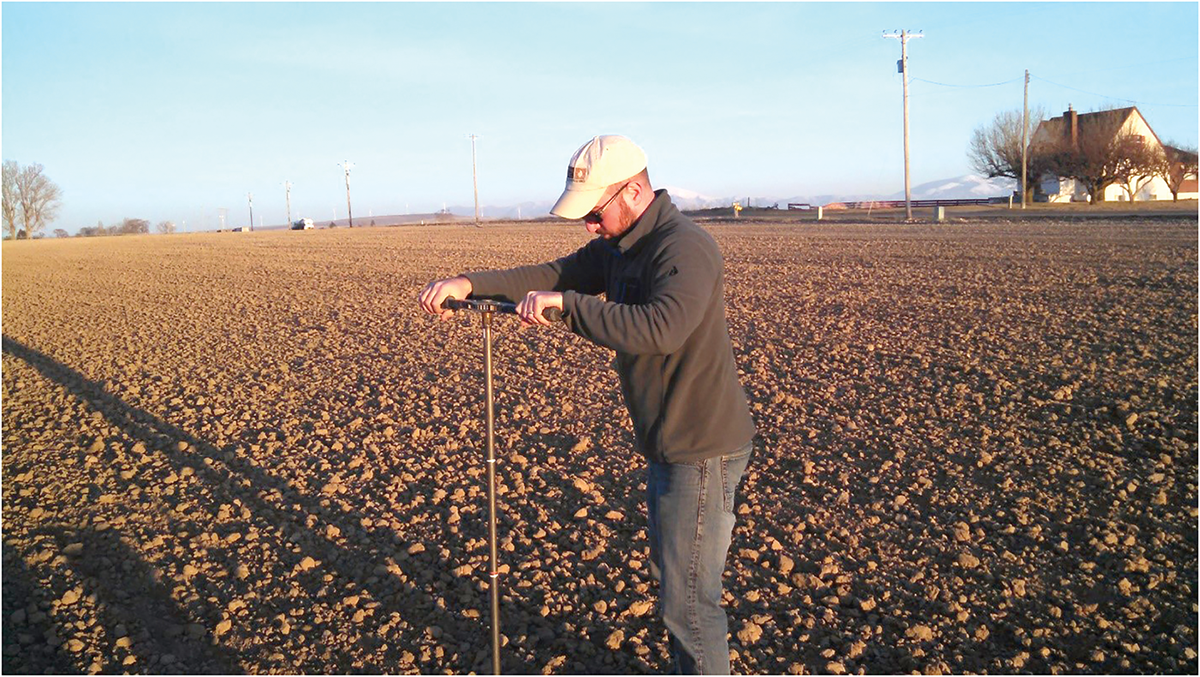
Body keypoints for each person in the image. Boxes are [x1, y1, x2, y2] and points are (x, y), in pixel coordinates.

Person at [419, 135, 757, 674]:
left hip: (701, 445)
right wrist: (469, 283)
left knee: (689, 603)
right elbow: (551, 275)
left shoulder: (682, 247)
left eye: (595, 212)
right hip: (669, 440)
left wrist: (571, 308)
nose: (589, 225)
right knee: (675, 581)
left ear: (632, 192)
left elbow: (661, 328)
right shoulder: (623, 244)